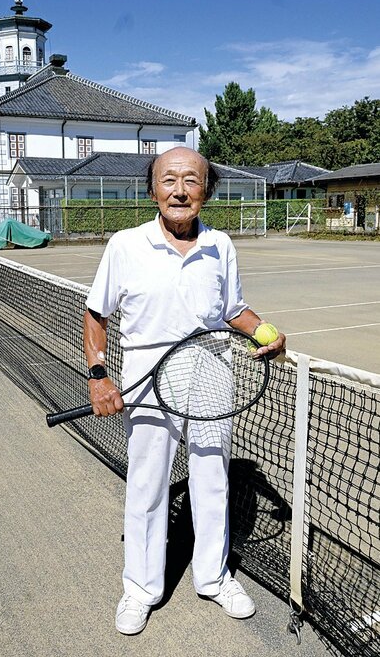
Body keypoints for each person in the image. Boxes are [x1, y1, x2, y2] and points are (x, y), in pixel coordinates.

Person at [83, 147, 286, 635]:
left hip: (212, 371)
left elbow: (233, 309)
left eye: (191, 180)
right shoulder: (125, 245)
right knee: (148, 484)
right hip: (147, 377)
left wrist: (267, 333)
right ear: (152, 190)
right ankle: (141, 588)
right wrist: (98, 375)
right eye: (168, 180)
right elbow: (96, 313)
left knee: (213, 478)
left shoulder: (222, 246)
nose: (179, 190)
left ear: (206, 190)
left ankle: (214, 578)